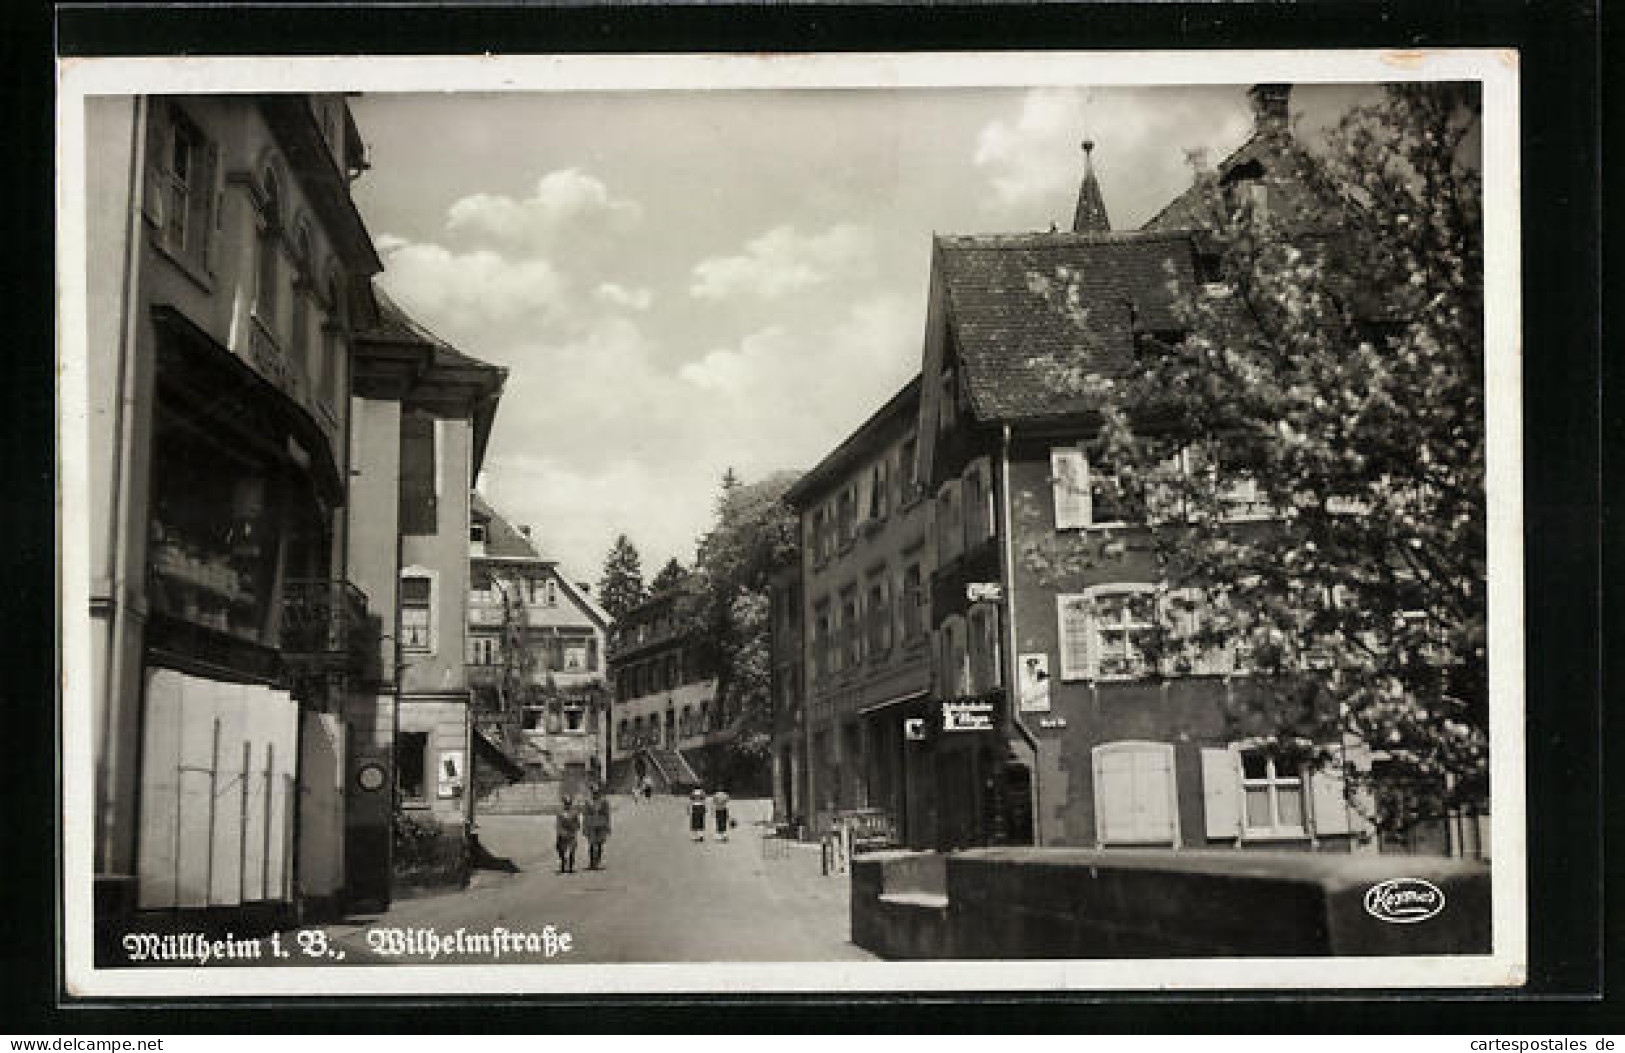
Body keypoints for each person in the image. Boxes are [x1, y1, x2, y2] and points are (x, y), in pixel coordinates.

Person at [582, 783, 612, 870]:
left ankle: (597, 861)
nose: (595, 794)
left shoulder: (604, 802)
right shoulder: (588, 802)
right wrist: (584, 827)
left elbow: (607, 815)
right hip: (591, 825)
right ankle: (591, 862)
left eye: (597, 792)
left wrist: (608, 826)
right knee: (591, 843)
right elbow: (585, 815)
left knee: (599, 844)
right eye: (594, 792)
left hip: (601, 825)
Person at [555, 795, 581, 873]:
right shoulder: (560, 812)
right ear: (564, 803)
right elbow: (558, 824)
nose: (567, 804)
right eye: (566, 803)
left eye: (569, 803)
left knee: (572, 850)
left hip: (571, 833)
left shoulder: (574, 812)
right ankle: (563, 860)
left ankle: (570, 865)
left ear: (571, 803)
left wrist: (574, 829)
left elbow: (577, 824)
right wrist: (560, 832)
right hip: (562, 833)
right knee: (559, 848)